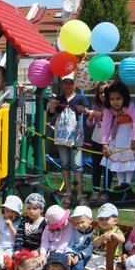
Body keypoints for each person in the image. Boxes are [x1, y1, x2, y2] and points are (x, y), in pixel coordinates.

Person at [47, 74, 90, 207]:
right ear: (62, 84)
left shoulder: (80, 98)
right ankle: (68, 192)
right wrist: (52, 105)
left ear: (75, 83)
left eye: (70, 82)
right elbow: (51, 114)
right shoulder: (59, 99)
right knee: (65, 164)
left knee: (77, 165)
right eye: (65, 82)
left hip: (76, 137)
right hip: (61, 136)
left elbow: (87, 111)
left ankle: (80, 194)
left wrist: (83, 109)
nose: (68, 85)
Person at [101, 82, 135, 191]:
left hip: (129, 134)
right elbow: (105, 126)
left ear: (124, 97)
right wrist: (105, 143)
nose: (115, 102)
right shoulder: (109, 110)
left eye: (118, 99)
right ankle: (120, 184)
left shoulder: (131, 107)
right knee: (117, 158)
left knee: (129, 158)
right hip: (117, 135)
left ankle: (127, 183)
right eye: (112, 99)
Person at [85, 203, 125, 270]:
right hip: (95, 257)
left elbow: (122, 240)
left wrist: (114, 235)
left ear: (115, 221)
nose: (103, 221)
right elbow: (94, 244)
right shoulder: (97, 230)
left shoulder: (116, 230)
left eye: (107, 219)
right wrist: (102, 238)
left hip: (109, 259)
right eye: (101, 219)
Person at [86, 81, 112, 204]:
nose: (103, 95)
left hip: (110, 142)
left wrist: (101, 114)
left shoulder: (114, 106)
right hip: (96, 140)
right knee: (96, 167)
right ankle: (95, 190)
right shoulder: (96, 105)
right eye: (101, 92)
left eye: (106, 92)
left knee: (108, 167)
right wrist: (91, 116)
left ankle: (106, 191)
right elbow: (89, 124)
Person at [65, 205, 94, 270]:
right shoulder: (75, 231)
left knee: (78, 267)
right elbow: (70, 243)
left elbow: (91, 247)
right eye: (77, 223)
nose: (80, 225)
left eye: (82, 222)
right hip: (73, 253)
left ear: (90, 220)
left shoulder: (93, 233)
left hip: (84, 255)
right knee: (64, 264)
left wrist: (79, 256)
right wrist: (69, 254)